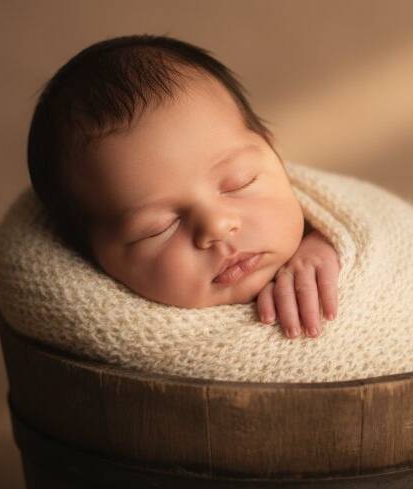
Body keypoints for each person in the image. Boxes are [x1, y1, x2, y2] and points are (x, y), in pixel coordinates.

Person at [27, 35, 339, 340]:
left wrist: (326, 243)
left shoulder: (326, 235)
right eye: (157, 228)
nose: (216, 226)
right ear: (92, 259)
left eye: (240, 182)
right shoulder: (126, 337)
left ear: (274, 152)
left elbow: (375, 225)